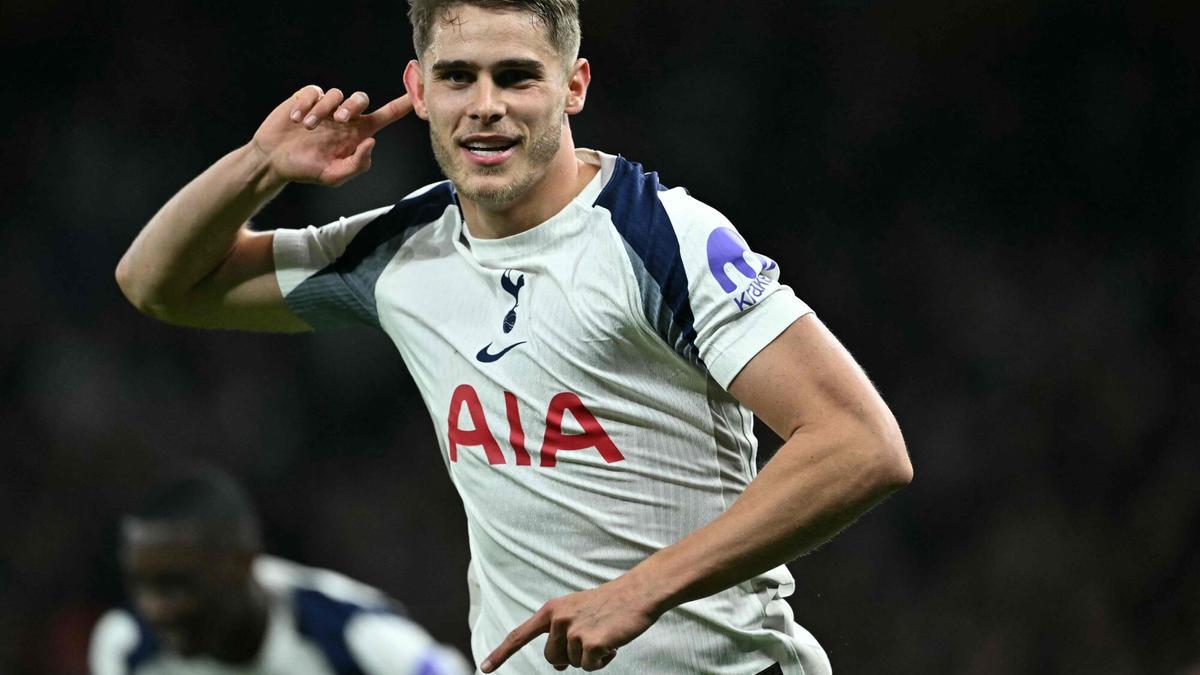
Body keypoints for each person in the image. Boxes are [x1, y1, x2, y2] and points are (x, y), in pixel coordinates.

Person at [114, 1, 913, 672]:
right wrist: (262, 165)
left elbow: (861, 443)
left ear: (574, 85)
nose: (485, 103)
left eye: (516, 75)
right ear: (417, 89)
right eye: (458, 76)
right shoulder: (402, 247)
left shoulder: (660, 236)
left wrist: (644, 587)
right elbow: (157, 284)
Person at [88, 467, 471, 675]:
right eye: (141, 586)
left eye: (174, 585)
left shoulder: (351, 634)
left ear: (241, 564)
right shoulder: (126, 646)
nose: (154, 608)